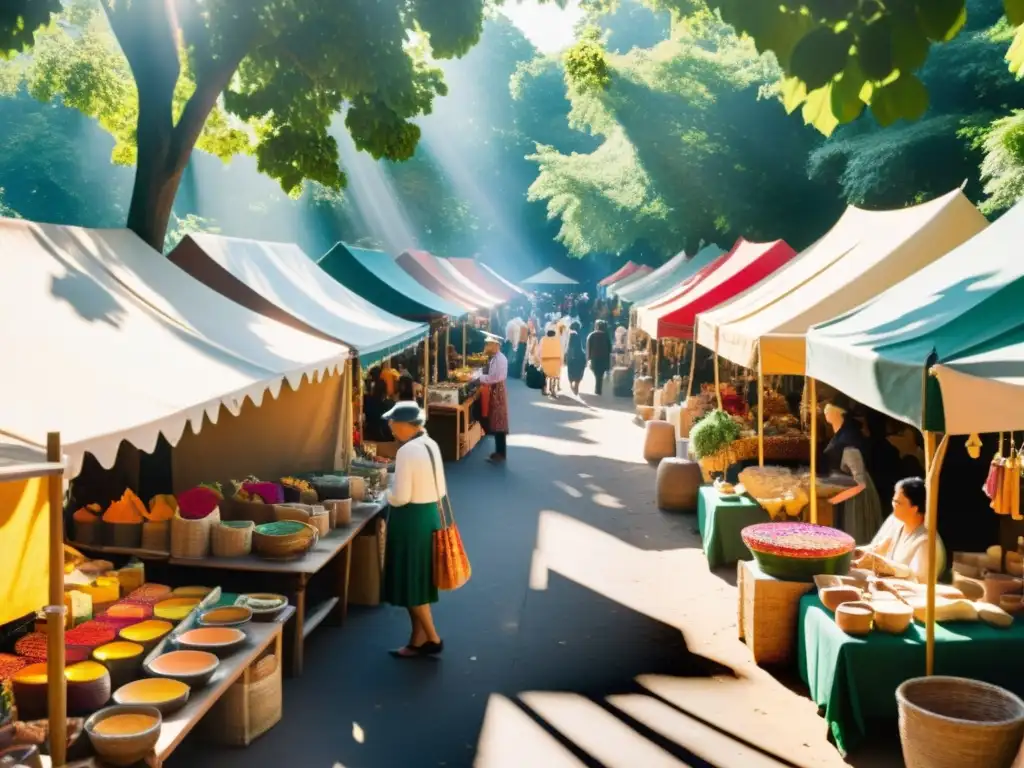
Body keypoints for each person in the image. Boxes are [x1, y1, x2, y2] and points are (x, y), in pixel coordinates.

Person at [381, 401, 447, 658]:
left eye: (393, 422)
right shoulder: (431, 444)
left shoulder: (407, 451)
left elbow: (401, 496)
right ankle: (417, 640)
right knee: (418, 581)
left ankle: (432, 637)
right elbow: (440, 488)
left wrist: (384, 494)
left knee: (410, 582)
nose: (390, 426)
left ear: (407, 425)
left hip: (410, 520)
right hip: (430, 515)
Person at [852, 477, 945, 583]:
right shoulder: (895, 522)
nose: (893, 505)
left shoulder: (926, 542)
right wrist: (856, 553)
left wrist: (882, 564)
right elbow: (877, 548)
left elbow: (919, 581)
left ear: (915, 508)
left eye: (898, 503)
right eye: (893, 501)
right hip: (883, 583)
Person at [823, 396, 884, 544]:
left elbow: (860, 482)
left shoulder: (849, 441)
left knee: (854, 536)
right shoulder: (841, 436)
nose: (824, 411)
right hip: (847, 491)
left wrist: (833, 500)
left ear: (838, 413)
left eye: (828, 408)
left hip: (855, 498)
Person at [475, 335, 509, 463]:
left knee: (499, 421)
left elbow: (494, 378)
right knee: (497, 421)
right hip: (496, 390)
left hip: (497, 391)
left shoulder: (499, 359)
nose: (487, 346)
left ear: (496, 345)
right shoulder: (496, 358)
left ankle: (500, 453)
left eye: (489, 344)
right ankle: (499, 451)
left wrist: (480, 378)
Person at [362, 378, 395, 442]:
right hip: (384, 435)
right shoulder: (389, 403)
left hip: (370, 433)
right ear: (385, 391)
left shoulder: (367, 400)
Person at [586, 319, 611, 396]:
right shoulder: (606, 336)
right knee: (600, 374)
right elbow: (610, 348)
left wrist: (588, 358)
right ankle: (598, 389)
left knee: (597, 374)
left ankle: (598, 389)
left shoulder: (591, 335)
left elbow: (588, 347)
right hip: (604, 358)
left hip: (594, 358)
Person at [539, 326, 563, 397]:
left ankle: (544, 389)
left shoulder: (543, 340)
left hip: (545, 360)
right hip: (555, 361)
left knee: (544, 376)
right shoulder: (557, 341)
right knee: (554, 376)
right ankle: (552, 390)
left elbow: (540, 350)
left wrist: (539, 359)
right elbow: (560, 352)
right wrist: (561, 362)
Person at [566, 321, 587, 396]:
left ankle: (571, 383)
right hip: (578, 355)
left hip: (571, 356)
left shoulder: (569, 334)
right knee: (579, 370)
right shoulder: (577, 335)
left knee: (570, 370)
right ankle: (577, 383)